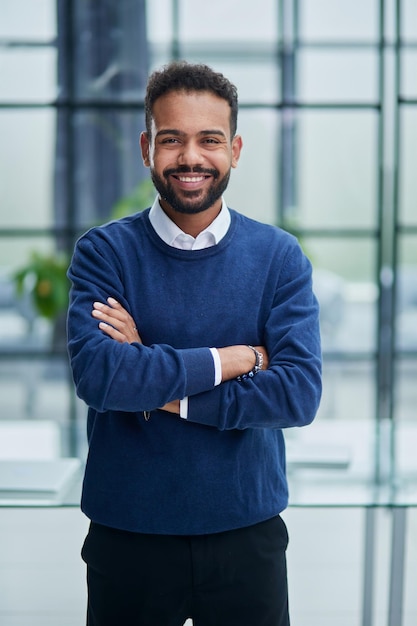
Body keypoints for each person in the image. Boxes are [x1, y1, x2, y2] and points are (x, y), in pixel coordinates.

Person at [67, 60, 322, 626]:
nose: (190, 158)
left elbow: (297, 395)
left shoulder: (278, 257)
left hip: (245, 534)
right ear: (146, 147)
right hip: (128, 533)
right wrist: (238, 359)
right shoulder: (104, 254)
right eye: (171, 139)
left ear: (234, 149)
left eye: (209, 140)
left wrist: (156, 383)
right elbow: (102, 379)